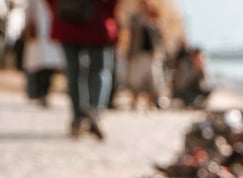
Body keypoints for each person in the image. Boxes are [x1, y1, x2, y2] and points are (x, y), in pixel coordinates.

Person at [48, 0, 118, 140]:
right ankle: (95, 111)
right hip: (97, 20)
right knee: (100, 69)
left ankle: (78, 117)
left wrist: (59, 8)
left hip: (68, 19)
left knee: (74, 72)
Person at [22, 0, 63, 105]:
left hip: (47, 33)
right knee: (43, 66)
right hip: (43, 33)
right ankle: (41, 92)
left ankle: (41, 92)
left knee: (42, 66)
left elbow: (28, 12)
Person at [124, 0, 162, 110]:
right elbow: (132, 30)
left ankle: (151, 103)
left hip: (151, 55)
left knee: (152, 80)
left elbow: (158, 38)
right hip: (138, 54)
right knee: (136, 80)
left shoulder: (154, 21)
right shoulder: (136, 19)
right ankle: (135, 102)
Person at [170, 41, 207, 109]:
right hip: (183, 90)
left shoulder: (200, 67)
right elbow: (183, 83)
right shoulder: (185, 65)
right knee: (189, 97)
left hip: (193, 90)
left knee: (207, 91)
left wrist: (201, 70)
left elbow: (203, 84)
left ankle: (196, 102)